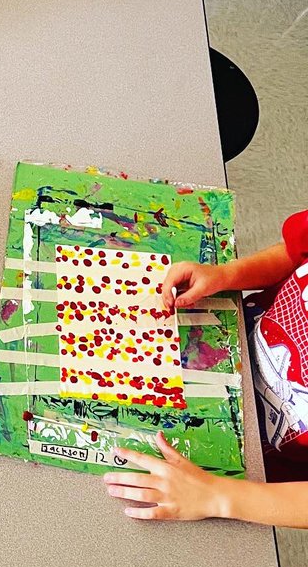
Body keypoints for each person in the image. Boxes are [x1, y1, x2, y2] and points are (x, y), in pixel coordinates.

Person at [104, 217, 308, 526]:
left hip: (248, 473)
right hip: (228, 341)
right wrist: (226, 274)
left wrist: (216, 495)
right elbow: (294, 253)